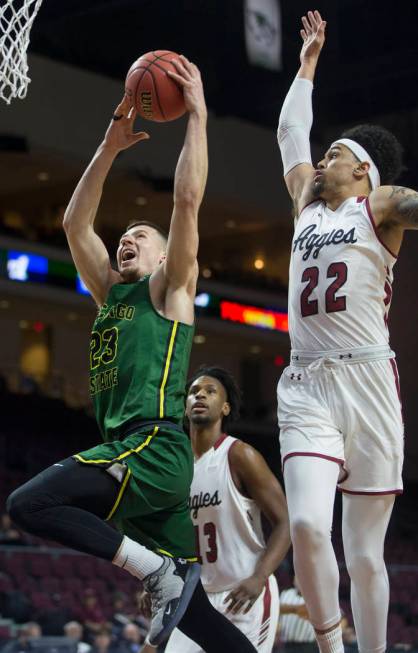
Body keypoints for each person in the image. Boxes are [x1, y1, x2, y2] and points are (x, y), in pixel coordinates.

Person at [6, 57, 256, 653]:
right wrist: (110, 144)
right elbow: (74, 222)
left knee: (28, 503)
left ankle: (157, 571)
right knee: (201, 624)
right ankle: (165, 576)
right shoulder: (110, 297)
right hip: (142, 460)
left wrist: (196, 115)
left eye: (142, 236)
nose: (128, 238)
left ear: (167, 257)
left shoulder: (169, 292)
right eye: (126, 235)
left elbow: (188, 202)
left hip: (153, 446)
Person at [276, 10, 418, 653]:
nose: (321, 158)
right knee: (306, 521)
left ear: (363, 170)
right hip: (306, 382)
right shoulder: (306, 203)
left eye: (335, 153)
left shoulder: (380, 207)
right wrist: (307, 63)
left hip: (368, 380)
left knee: (364, 555)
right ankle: (331, 643)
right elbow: (289, 131)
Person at [165, 366, 291, 653]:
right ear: (185, 407)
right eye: (194, 392)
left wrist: (259, 578)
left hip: (243, 593)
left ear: (224, 407)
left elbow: (286, 522)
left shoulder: (239, 455)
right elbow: (170, 537)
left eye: (210, 392)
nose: (200, 396)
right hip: (197, 599)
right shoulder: (177, 468)